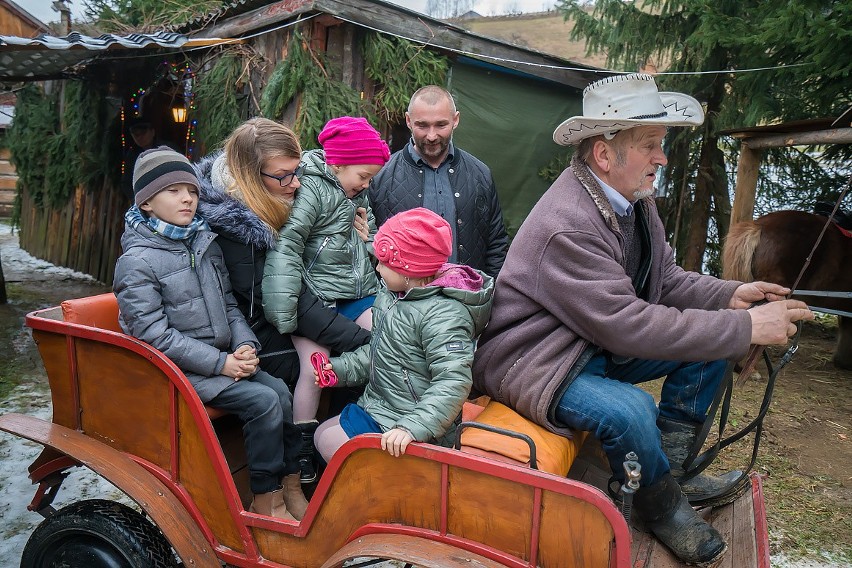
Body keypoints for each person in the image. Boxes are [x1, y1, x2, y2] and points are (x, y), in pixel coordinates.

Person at [471, 73, 813, 565]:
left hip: (588, 344)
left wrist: (732, 293)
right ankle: (659, 505)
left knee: (712, 343)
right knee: (630, 409)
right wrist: (747, 327)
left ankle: (669, 472)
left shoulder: (631, 200)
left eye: (662, 144)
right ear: (604, 155)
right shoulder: (566, 224)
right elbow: (626, 325)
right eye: (650, 145)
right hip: (536, 362)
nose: (663, 158)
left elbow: (666, 279)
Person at [113, 147, 308, 521]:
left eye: (192, 190)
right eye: (173, 191)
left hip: (222, 361)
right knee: (263, 401)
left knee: (281, 390)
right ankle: (264, 504)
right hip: (178, 371)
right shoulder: (136, 261)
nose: (187, 198)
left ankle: (290, 488)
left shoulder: (203, 242)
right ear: (148, 203)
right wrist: (221, 364)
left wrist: (245, 345)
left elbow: (230, 306)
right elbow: (154, 335)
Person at [194, 118, 373, 484]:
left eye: (297, 172)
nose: (296, 183)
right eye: (284, 176)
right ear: (248, 175)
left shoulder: (279, 197)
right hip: (251, 333)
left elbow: (318, 260)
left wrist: (356, 238)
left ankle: (337, 455)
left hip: (286, 317)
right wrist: (359, 341)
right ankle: (307, 463)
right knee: (336, 362)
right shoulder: (234, 228)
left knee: (358, 351)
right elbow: (282, 298)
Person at [262, 116, 389, 482]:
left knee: (386, 339)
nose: (366, 184)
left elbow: (371, 237)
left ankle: (362, 423)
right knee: (313, 368)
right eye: (363, 175)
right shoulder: (312, 191)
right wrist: (285, 308)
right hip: (319, 299)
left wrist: (369, 241)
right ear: (338, 163)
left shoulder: (356, 195)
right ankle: (303, 447)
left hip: (357, 292)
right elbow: (288, 245)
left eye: (370, 178)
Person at [312, 208, 494, 461]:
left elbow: (453, 381)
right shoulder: (391, 296)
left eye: (384, 263)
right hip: (380, 406)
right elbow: (381, 353)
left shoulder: (443, 315)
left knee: (335, 447)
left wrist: (413, 427)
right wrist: (339, 369)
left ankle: (387, 497)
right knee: (322, 434)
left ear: (408, 270)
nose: (378, 269)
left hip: (412, 423)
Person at [369, 85, 508, 278]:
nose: (432, 135)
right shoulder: (382, 177)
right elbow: (369, 247)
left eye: (441, 125)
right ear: (409, 121)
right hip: (402, 303)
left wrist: (491, 295)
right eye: (422, 125)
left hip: (466, 301)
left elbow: (496, 243)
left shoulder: (480, 174)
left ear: (455, 120)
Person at [120, 118, 176, 201]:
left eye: (143, 133)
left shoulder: (167, 149)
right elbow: (126, 181)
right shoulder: (132, 154)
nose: (140, 137)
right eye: (136, 135)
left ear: (152, 132)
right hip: (142, 198)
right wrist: (136, 199)